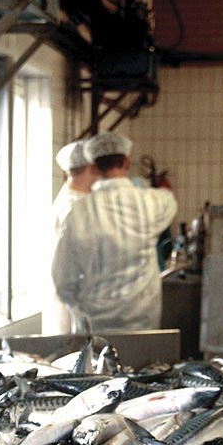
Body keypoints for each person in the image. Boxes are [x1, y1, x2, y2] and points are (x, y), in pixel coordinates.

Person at [51, 132, 177, 333]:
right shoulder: (153, 202)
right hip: (142, 321)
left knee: (97, 365)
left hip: (95, 324)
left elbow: (62, 278)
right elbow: (170, 201)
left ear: (93, 167)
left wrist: (78, 310)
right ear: (127, 162)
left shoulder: (78, 212)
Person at [42, 140, 99, 333]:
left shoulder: (71, 198)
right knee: (73, 351)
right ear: (92, 167)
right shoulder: (73, 205)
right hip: (72, 296)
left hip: (69, 294)